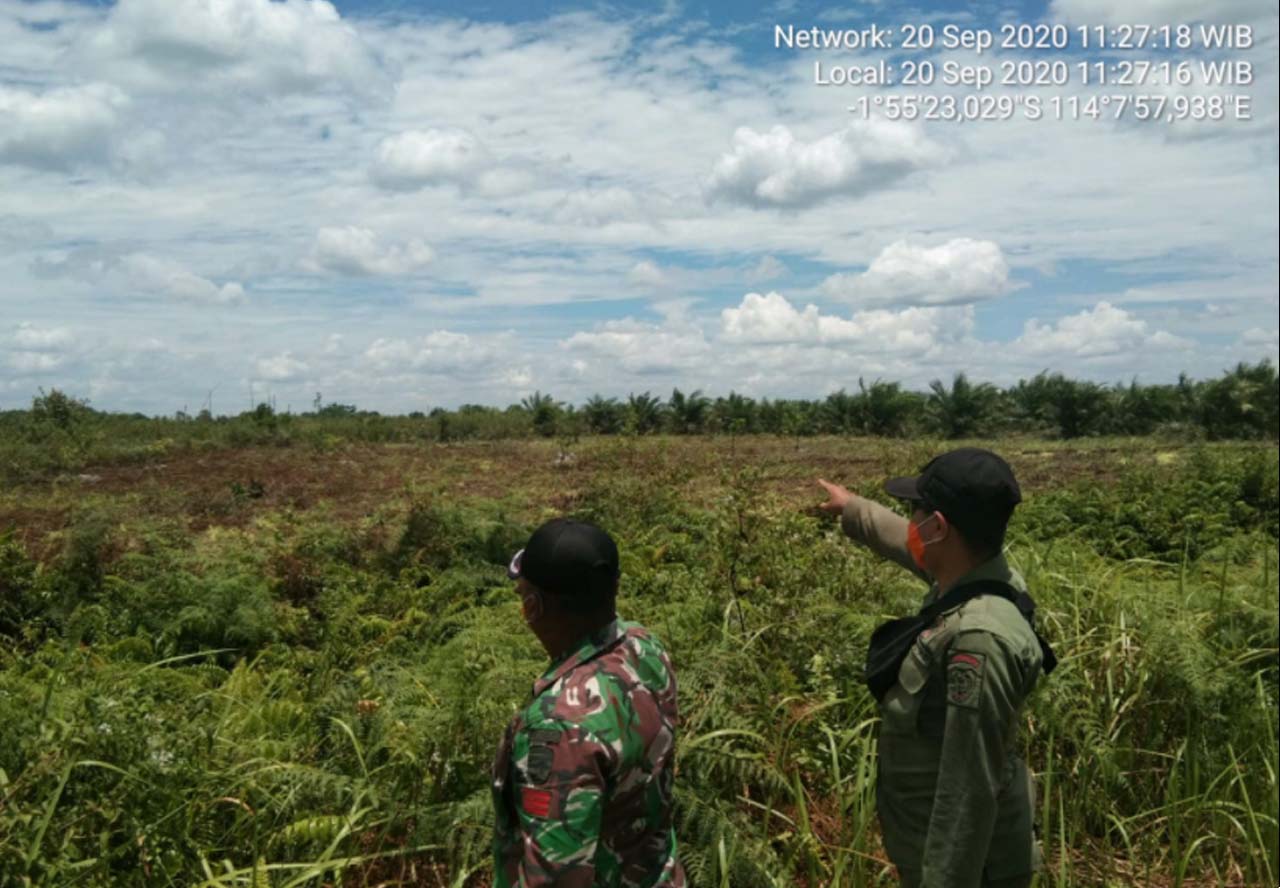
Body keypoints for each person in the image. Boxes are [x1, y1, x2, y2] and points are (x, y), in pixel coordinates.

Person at [817, 448, 1047, 888]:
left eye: (915, 513)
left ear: (938, 528)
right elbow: (907, 544)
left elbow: (967, 793)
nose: (911, 525)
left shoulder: (978, 641)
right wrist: (853, 509)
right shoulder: (980, 579)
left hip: (971, 870)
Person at [492, 517, 684, 888]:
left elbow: (557, 876)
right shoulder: (645, 648)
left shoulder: (557, 725)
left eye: (523, 596)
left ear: (532, 607)